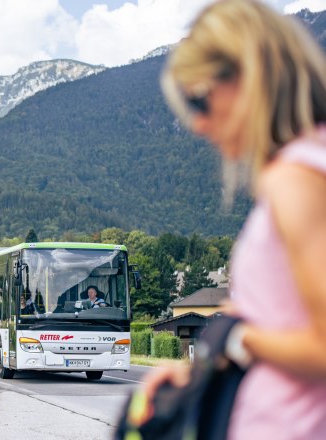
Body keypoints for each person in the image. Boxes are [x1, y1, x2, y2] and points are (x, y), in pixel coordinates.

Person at [146, 0, 326, 437]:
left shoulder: (296, 176)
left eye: (199, 99)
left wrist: (235, 338)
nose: (198, 124)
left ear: (250, 76)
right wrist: (201, 372)